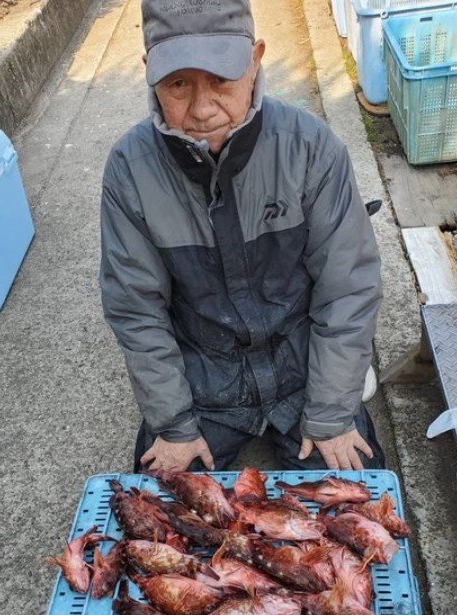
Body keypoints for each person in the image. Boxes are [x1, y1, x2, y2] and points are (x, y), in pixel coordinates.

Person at [100, 0, 386, 474]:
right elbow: (135, 308)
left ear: (255, 61)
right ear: (149, 73)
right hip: (204, 381)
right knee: (160, 525)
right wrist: (174, 424)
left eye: (222, 79)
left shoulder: (312, 149)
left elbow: (348, 287)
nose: (202, 108)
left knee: (357, 513)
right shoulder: (130, 169)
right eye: (178, 84)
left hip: (302, 369)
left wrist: (332, 412)